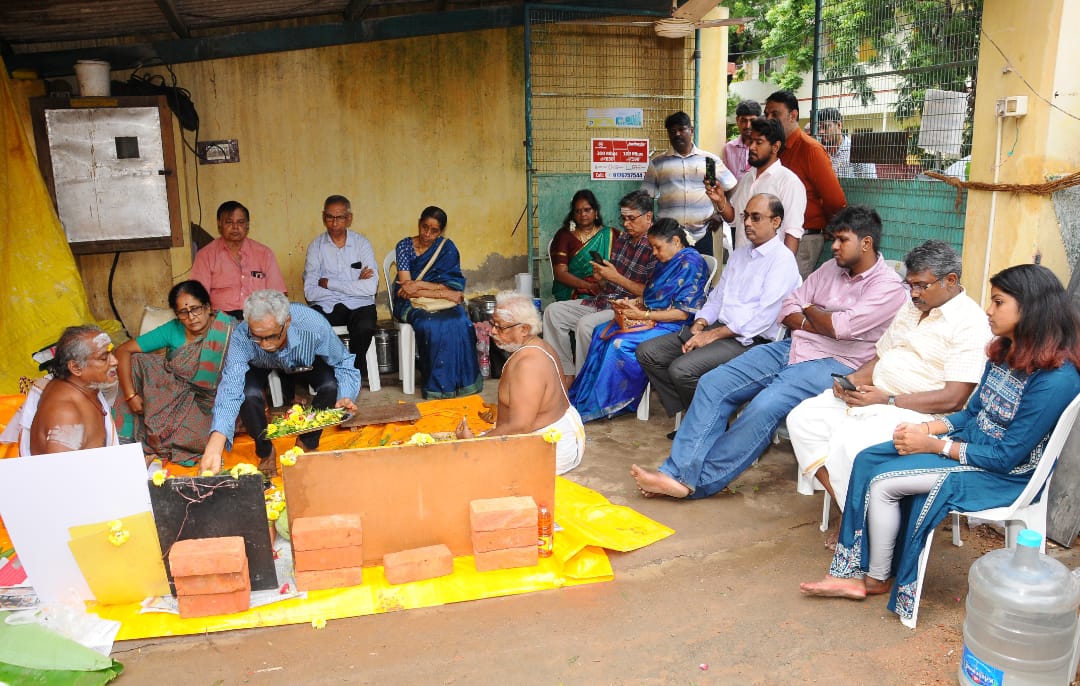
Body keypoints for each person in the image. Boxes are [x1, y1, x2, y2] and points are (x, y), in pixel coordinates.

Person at [800, 264, 1080, 627]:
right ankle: (854, 568)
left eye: (998, 302)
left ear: (1031, 308)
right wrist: (928, 427)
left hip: (1006, 475)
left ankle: (874, 578)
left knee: (884, 482)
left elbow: (1007, 456)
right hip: (974, 449)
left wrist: (933, 445)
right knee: (869, 458)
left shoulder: (1056, 379)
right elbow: (971, 415)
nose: (989, 310)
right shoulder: (1007, 353)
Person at [631, 205, 908, 499]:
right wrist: (815, 318)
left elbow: (839, 328)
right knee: (714, 383)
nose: (834, 247)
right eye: (834, 239)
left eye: (842, 240)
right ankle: (678, 473)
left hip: (839, 362)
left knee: (764, 405)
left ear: (866, 243)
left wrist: (808, 308)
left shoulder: (888, 287)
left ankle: (697, 483)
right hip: (794, 346)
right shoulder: (830, 268)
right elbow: (787, 308)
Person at [787, 240, 991, 544]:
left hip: (924, 417)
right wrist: (851, 380)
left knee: (850, 441)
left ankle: (856, 521)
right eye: (910, 285)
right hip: (878, 398)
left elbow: (954, 398)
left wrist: (889, 400)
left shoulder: (970, 324)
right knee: (802, 419)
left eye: (921, 286)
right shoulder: (913, 308)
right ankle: (853, 510)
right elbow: (882, 356)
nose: (914, 293)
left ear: (950, 280)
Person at [637, 194, 801, 428]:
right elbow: (717, 297)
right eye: (745, 217)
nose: (747, 223)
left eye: (756, 218)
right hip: (719, 328)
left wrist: (712, 335)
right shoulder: (740, 254)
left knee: (681, 370)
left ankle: (707, 425)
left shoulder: (782, 260)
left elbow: (763, 319)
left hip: (749, 340)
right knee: (648, 353)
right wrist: (701, 323)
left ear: (776, 222)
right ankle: (698, 414)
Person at [200, 290, 360, 475]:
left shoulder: (313, 325)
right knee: (248, 394)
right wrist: (215, 443)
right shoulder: (242, 336)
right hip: (260, 364)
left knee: (330, 386)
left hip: (304, 361)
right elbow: (230, 388)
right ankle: (265, 451)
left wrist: (345, 396)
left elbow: (343, 362)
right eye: (257, 337)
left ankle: (306, 443)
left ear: (287, 322)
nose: (264, 344)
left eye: (271, 336)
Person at [569, 218, 708, 422]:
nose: (654, 253)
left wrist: (643, 315)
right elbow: (652, 296)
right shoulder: (667, 261)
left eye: (657, 247)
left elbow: (682, 314)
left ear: (676, 242)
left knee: (619, 344)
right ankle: (585, 398)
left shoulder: (691, 264)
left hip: (675, 326)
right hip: (654, 318)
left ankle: (607, 403)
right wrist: (632, 304)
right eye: (652, 247)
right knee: (600, 331)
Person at [456, 292, 585, 475]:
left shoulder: (528, 365)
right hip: (560, 435)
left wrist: (475, 443)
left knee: (461, 465)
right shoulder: (539, 345)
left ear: (524, 329)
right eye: (493, 324)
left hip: (552, 448)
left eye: (500, 327)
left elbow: (520, 426)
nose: (493, 331)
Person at [542, 190, 657, 387]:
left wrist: (615, 278)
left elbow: (651, 295)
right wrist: (602, 279)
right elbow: (609, 283)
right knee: (553, 312)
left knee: (586, 325)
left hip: (628, 307)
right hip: (605, 299)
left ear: (648, 216)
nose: (626, 224)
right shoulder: (624, 239)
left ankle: (587, 384)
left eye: (631, 219)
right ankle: (565, 374)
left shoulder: (656, 245)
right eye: (623, 219)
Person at [114, 280, 235, 466]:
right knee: (136, 360)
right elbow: (123, 351)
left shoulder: (227, 329)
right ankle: (125, 441)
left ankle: (158, 439)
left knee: (210, 440)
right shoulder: (173, 329)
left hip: (207, 407)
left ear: (208, 307)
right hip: (171, 397)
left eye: (196, 309)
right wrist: (131, 396)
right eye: (183, 312)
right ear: (177, 315)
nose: (191, 317)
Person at [391, 206, 483, 399]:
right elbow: (407, 288)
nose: (427, 234)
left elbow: (450, 285)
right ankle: (437, 388)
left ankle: (463, 384)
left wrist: (421, 286)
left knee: (461, 322)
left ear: (441, 231)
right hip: (411, 302)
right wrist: (444, 293)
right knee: (430, 325)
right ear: (419, 223)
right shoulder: (404, 246)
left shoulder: (447, 248)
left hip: (441, 301)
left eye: (434, 231)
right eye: (425, 227)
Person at [764, 91, 847, 278]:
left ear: (793, 116)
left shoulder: (811, 149)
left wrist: (828, 224)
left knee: (789, 291)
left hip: (803, 238)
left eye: (775, 114)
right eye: (766, 114)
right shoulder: (776, 149)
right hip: (774, 236)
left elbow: (835, 200)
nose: (769, 120)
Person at [641, 111, 736, 257]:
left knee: (702, 270)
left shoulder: (708, 161)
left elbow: (730, 186)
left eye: (681, 129)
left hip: (702, 235)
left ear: (691, 130)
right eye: (672, 131)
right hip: (668, 238)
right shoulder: (658, 163)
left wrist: (720, 213)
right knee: (671, 271)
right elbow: (646, 197)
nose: (677, 134)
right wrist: (652, 225)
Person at [708, 117, 806, 255]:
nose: (752, 147)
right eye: (751, 141)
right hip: (742, 259)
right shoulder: (748, 178)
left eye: (759, 142)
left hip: (769, 263)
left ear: (775, 147)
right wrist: (720, 199)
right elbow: (735, 219)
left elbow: (792, 233)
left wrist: (784, 265)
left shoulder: (789, 182)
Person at [303, 195, 378, 369]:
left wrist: (329, 283)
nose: (334, 223)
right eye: (330, 217)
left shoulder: (362, 244)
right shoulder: (316, 247)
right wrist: (354, 284)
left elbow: (370, 287)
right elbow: (310, 292)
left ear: (349, 218)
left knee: (365, 326)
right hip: (328, 305)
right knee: (311, 326)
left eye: (340, 217)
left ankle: (354, 370)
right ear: (323, 217)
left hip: (359, 304)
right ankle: (329, 374)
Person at [23, 326, 120, 455]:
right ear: (76, 367)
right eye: (103, 358)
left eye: (112, 353)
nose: (115, 361)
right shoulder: (66, 415)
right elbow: (60, 467)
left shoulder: (84, 387)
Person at [191, 201, 287, 319]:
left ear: (247, 225)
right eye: (229, 222)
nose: (235, 227)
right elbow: (197, 298)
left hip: (258, 318)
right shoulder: (205, 255)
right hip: (220, 318)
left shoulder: (264, 254)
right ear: (219, 224)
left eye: (240, 222)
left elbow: (279, 296)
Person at [549, 190, 612, 302]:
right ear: (573, 214)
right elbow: (560, 274)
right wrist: (590, 286)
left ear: (596, 211)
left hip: (606, 288)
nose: (583, 214)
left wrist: (602, 284)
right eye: (578, 211)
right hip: (573, 290)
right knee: (587, 300)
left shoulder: (609, 235)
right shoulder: (564, 236)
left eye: (587, 210)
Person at [816, 108, 876, 179]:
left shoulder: (858, 150)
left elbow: (870, 182)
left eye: (825, 127)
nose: (820, 132)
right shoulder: (818, 150)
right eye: (818, 128)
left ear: (839, 125)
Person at [723, 100, 761, 182]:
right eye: (744, 120)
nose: (748, 126)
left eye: (752, 120)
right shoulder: (729, 148)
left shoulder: (765, 147)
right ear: (737, 120)